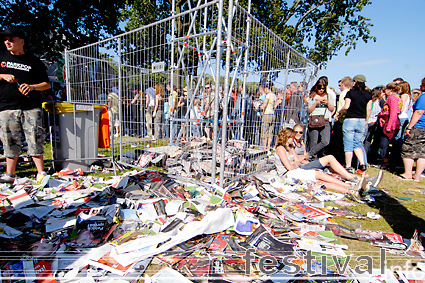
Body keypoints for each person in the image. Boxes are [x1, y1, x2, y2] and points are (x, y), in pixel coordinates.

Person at [0, 27, 51, 183]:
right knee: (9, 140)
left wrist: (32, 87)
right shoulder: (1, 56)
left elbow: (47, 84)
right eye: (5, 40)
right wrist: (2, 75)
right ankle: (10, 174)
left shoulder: (34, 61)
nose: (7, 42)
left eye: (11, 39)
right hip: (7, 106)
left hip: (31, 106)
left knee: (35, 138)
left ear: (21, 41)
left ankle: (41, 172)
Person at [273, 128, 365, 199]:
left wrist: (295, 163)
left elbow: (297, 162)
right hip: (288, 175)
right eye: (292, 137)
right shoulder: (280, 149)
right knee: (319, 174)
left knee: (320, 183)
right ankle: (349, 186)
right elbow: (289, 167)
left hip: (295, 171)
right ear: (287, 137)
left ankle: (350, 191)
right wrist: (295, 164)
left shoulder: (290, 147)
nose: (293, 140)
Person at [291, 124, 382, 187]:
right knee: (330, 158)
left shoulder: (302, 142)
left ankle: (365, 180)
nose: (298, 134)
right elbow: (297, 160)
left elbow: (305, 155)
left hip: (307, 162)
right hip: (302, 167)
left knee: (335, 169)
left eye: (300, 132)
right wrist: (304, 159)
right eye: (296, 132)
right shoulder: (292, 144)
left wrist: (305, 158)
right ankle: (352, 178)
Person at [336, 74, 372, 173]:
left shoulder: (350, 93)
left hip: (350, 120)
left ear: (354, 82)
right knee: (358, 143)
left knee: (348, 144)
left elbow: (346, 106)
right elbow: (369, 109)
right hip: (362, 121)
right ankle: (362, 163)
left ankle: (348, 166)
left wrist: (339, 112)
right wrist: (366, 121)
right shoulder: (368, 95)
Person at [399, 78, 425, 181]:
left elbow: (419, 112)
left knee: (408, 148)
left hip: (419, 126)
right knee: (422, 152)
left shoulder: (423, 97)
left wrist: (409, 127)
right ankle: (417, 176)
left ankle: (408, 173)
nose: (420, 86)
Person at [374, 82, 402, 167]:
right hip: (392, 123)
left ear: (390, 89)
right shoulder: (397, 98)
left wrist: (389, 126)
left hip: (389, 124)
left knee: (384, 144)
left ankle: (384, 162)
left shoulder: (392, 98)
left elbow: (393, 113)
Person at [307, 78, 334, 159]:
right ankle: (313, 158)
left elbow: (332, 109)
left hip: (325, 120)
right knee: (313, 141)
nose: (321, 90)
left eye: (323, 88)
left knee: (325, 141)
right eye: (319, 88)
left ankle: (310, 154)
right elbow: (309, 110)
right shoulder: (312, 96)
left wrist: (327, 103)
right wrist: (316, 103)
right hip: (314, 120)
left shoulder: (329, 96)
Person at [259, 83, 276, 148]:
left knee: (264, 132)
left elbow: (264, 106)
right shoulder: (274, 96)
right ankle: (268, 147)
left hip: (266, 115)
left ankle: (264, 147)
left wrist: (259, 105)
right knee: (270, 132)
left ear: (267, 88)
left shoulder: (268, 95)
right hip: (272, 114)